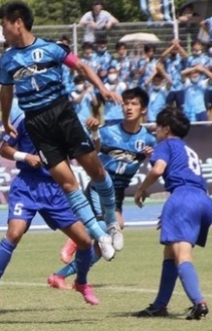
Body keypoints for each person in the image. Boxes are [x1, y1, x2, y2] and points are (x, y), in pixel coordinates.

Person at [0, 1, 122, 262]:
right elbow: (6, 91)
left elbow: (82, 67)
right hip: (37, 124)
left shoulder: (51, 48)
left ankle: (112, 222)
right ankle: (100, 234)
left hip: (64, 115)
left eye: (4, 24)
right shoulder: (7, 60)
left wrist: (102, 88)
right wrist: (6, 119)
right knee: (68, 184)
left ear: (18, 22)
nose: (2, 30)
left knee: (97, 173)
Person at [0, 112, 101, 312]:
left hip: (56, 188)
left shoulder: (66, 118)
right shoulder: (24, 118)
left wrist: (94, 132)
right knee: (14, 233)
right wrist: (25, 156)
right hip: (26, 186)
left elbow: (90, 152)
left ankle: (81, 282)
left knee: (84, 241)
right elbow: (4, 150)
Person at [53, 88, 156, 283]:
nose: (128, 107)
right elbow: (95, 149)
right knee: (107, 229)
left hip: (118, 192)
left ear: (143, 110)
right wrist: (93, 131)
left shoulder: (149, 139)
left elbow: (157, 165)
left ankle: (60, 276)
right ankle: (74, 240)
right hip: (99, 187)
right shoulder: (109, 131)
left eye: (134, 104)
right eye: (126, 103)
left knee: (106, 242)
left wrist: (152, 159)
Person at [133, 106, 212, 320]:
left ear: (166, 129)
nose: (155, 131)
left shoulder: (166, 144)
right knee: (170, 252)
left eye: (158, 127)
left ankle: (199, 302)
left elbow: (158, 169)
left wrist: (141, 189)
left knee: (181, 255)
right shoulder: (189, 150)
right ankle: (160, 305)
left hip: (183, 198)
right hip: (203, 199)